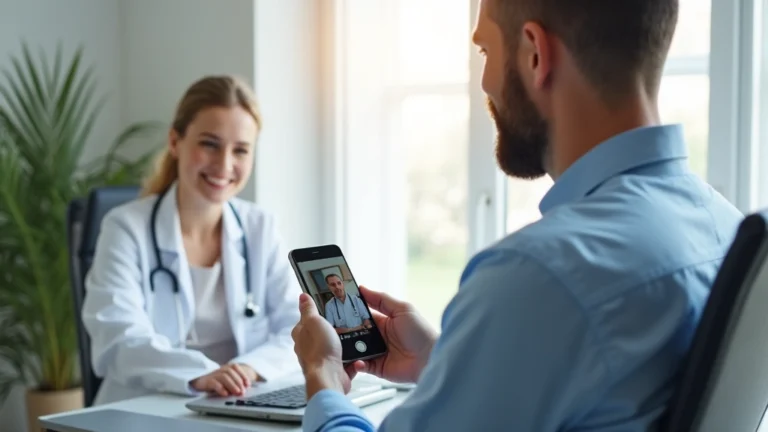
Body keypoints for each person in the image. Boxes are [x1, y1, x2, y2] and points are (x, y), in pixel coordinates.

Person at [290, 0, 744, 430]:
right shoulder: (728, 229)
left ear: (534, 54)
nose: (484, 81)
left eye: (485, 50)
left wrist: (325, 379)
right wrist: (448, 361)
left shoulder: (542, 273)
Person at [82, 75, 302, 405]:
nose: (224, 164)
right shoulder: (125, 228)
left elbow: (297, 330)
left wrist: (247, 368)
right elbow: (117, 336)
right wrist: (196, 374)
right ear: (175, 142)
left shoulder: (260, 227)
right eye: (209, 144)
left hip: (240, 402)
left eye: (240, 150)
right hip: (143, 407)